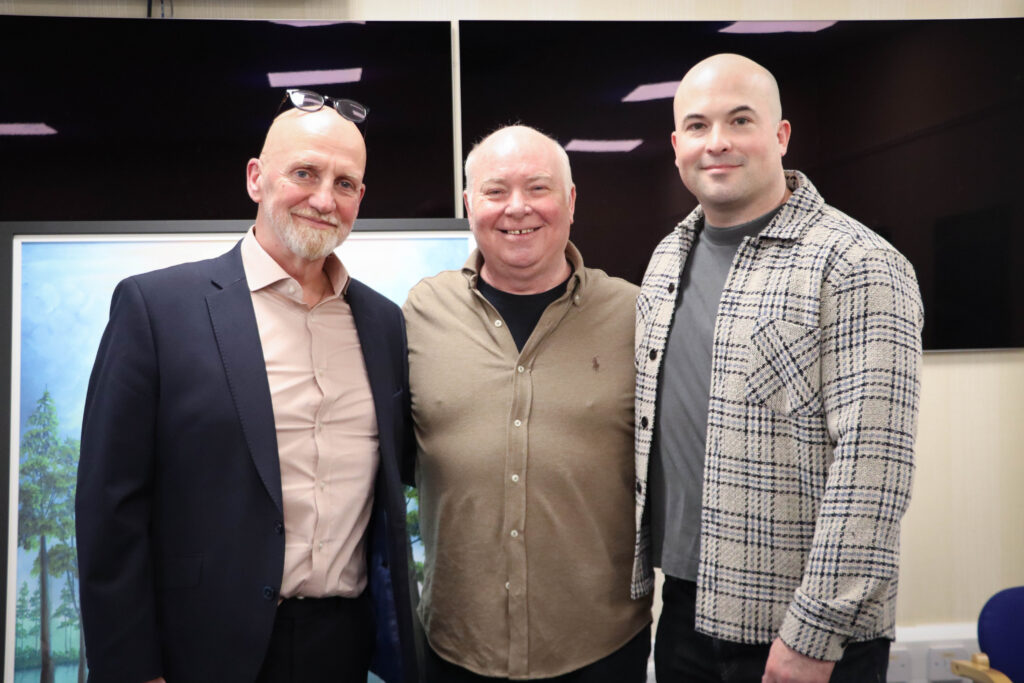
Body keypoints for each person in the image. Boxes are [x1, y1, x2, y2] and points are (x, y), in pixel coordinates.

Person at [76, 90, 418, 683]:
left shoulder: (384, 323)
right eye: (305, 173)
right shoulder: (156, 310)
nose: (322, 198)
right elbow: (110, 510)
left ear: (360, 199)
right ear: (256, 178)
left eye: (344, 183)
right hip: (201, 652)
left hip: (345, 648)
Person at [632, 54, 924, 683]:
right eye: (699, 125)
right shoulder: (665, 260)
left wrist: (813, 637)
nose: (719, 142)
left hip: (798, 633)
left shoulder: (857, 264)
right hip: (683, 607)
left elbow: (874, 471)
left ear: (781, 135)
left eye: (740, 120)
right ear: (677, 145)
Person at [403, 125, 652, 682]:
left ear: (570, 202)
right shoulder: (421, 311)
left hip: (600, 648)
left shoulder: (636, 316)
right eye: (495, 192)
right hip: (456, 649)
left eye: (538, 188)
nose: (517, 208)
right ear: (469, 205)